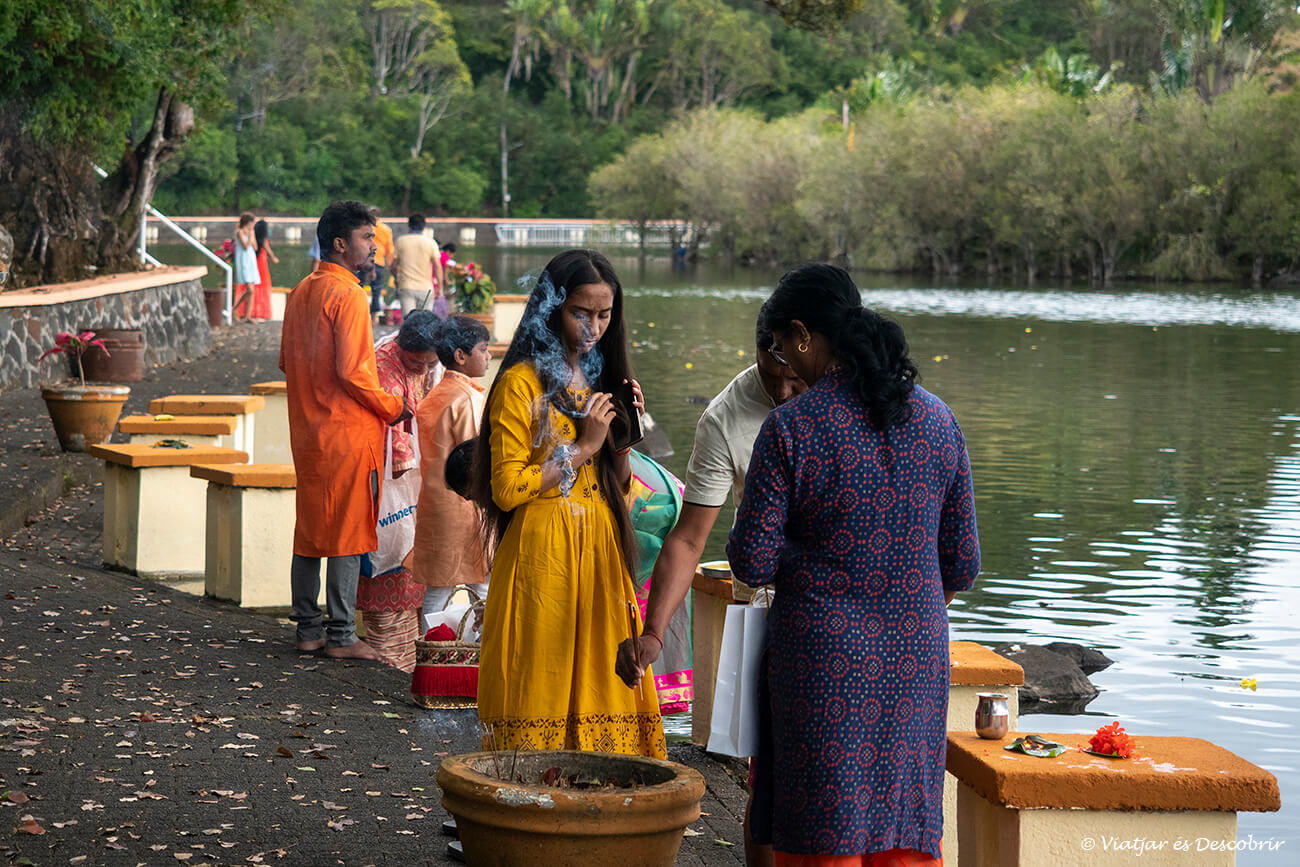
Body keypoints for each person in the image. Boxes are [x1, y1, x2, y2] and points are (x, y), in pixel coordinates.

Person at [728, 264, 982, 865]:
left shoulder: (791, 428)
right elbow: (963, 562)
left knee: (824, 830)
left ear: (804, 335)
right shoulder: (939, 421)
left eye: (781, 346)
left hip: (821, 663)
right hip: (916, 659)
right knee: (901, 829)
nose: (782, 362)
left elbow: (753, 560)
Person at [616, 305, 803, 866]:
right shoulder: (725, 417)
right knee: (766, 775)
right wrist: (653, 632)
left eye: (798, 377)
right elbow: (688, 540)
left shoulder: (857, 399)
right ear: (759, 351)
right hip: (770, 604)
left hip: (855, 610)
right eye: (776, 377)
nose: (789, 392)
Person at [472, 249, 665, 759]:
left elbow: (617, 487)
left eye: (604, 315)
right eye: (581, 312)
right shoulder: (520, 384)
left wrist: (621, 437)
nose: (594, 327)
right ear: (552, 307)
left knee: (603, 682)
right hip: (544, 554)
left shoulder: (601, 378)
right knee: (541, 678)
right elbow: (507, 489)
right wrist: (581, 447)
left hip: (599, 548)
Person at [279, 200, 411, 662]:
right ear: (340, 243)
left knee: (311, 530)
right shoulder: (349, 294)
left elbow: (287, 363)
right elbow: (356, 374)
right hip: (349, 433)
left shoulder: (300, 292)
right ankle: (340, 635)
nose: (375, 247)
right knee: (348, 532)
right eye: (367, 239)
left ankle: (308, 629)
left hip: (309, 433)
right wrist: (395, 407)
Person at [355, 310, 444, 671]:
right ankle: (390, 669)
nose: (422, 370)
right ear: (401, 349)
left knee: (419, 587)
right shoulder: (383, 367)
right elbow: (391, 432)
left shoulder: (432, 365)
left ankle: (413, 669)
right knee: (388, 589)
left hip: (418, 485)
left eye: (430, 363)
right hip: (386, 482)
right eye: (415, 363)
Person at [411, 315, 492, 632]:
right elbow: (476, 461)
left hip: (434, 503)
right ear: (461, 356)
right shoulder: (468, 399)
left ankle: (433, 660)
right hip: (463, 506)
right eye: (483, 349)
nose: (488, 356)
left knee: (440, 587)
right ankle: (467, 664)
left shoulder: (434, 395)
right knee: (479, 586)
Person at [392, 214, 445, 317]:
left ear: (408, 226)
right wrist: (440, 288)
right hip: (426, 288)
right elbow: (438, 266)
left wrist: (396, 278)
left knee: (409, 321)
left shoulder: (400, 241)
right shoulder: (431, 243)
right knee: (425, 322)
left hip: (406, 286)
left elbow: (394, 266)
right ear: (424, 228)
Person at [248, 219, 277, 321]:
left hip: (255, 264)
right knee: (263, 285)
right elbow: (270, 253)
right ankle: (261, 312)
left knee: (255, 286)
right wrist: (274, 258)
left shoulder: (254, 238)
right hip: (262, 265)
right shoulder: (264, 241)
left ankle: (252, 311)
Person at [370, 207, 395, 325]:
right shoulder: (386, 229)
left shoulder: (364, 227)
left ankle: (362, 314)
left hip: (362, 261)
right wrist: (391, 265)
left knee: (358, 287)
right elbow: (390, 249)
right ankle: (374, 317)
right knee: (376, 290)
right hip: (379, 262)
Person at [232, 212, 258, 321]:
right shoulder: (240, 232)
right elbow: (246, 246)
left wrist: (252, 236)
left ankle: (248, 315)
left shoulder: (252, 233)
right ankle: (234, 308)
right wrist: (251, 236)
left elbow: (255, 247)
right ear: (248, 222)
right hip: (243, 261)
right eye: (253, 222)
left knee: (251, 290)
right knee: (250, 289)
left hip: (251, 260)